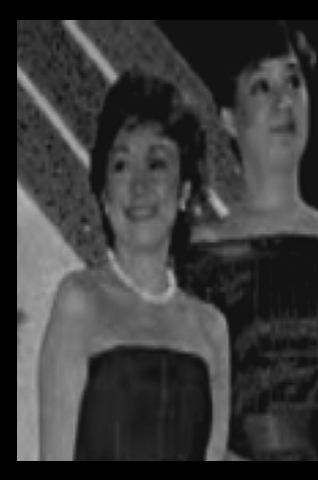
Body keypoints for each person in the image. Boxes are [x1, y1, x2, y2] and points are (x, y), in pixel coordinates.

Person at [177, 20, 318, 461]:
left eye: (294, 81)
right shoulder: (205, 253)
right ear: (228, 118)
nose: (284, 101)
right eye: (262, 86)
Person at [38, 70, 230, 461]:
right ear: (104, 194)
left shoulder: (211, 329)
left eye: (157, 164)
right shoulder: (79, 302)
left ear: (185, 190)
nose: (139, 185)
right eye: (122, 165)